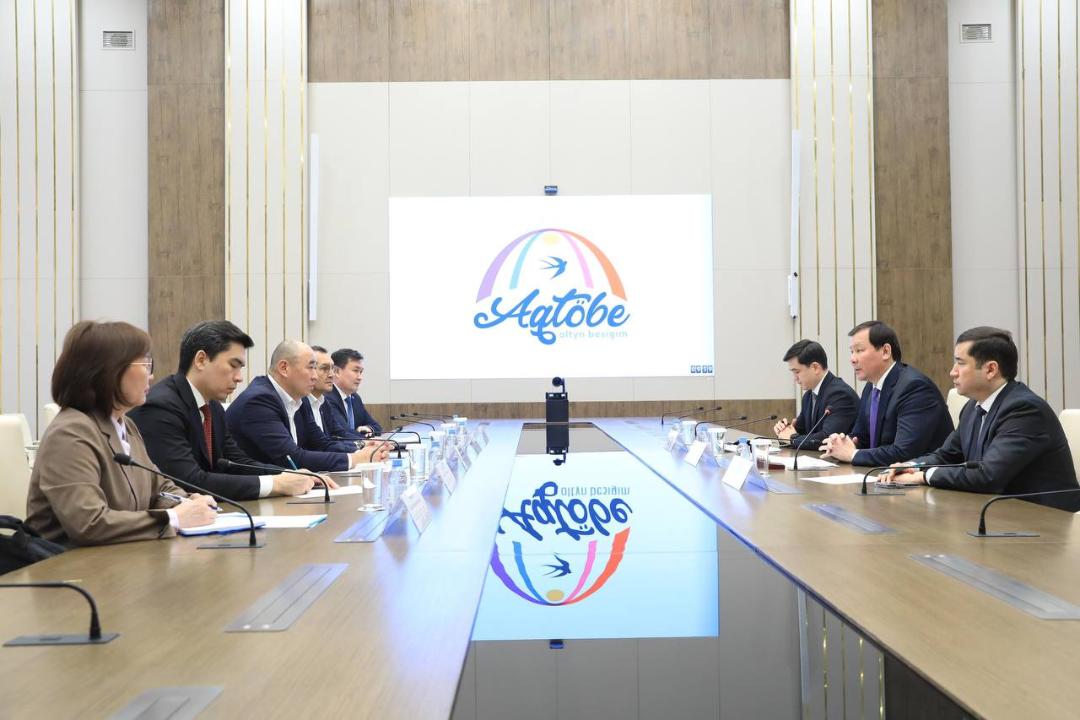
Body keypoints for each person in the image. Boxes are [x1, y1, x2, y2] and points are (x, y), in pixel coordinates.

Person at [24, 321, 217, 546]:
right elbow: (89, 523)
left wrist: (189, 502)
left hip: (121, 555)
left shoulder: (125, 424)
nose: (151, 375)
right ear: (110, 371)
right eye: (145, 364)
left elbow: (158, 488)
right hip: (68, 562)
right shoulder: (69, 433)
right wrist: (174, 518)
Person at [886, 327, 1080, 510]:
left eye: (961, 363)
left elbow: (989, 476)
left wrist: (924, 476)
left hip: (1046, 518)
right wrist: (911, 467)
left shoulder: (1025, 410)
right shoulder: (973, 407)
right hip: (997, 512)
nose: (953, 372)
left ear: (990, 369)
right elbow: (946, 456)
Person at [129, 320, 316, 500]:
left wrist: (289, 475)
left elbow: (236, 462)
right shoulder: (161, 407)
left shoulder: (213, 408)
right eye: (233, 366)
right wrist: (275, 484)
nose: (239, 378)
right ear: (201, 360)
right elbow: (188, 481)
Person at [225, 340, 389, 472]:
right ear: (284, 368)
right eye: (311, 367)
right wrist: (355, 459)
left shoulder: (299, 399)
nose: (315, 376)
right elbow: (292, 458)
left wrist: (363, 448)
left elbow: (322, 444)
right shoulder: (259, 401)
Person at [820, 320, 953, 466]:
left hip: (922, 474)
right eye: (852, 352)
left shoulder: (915, 388)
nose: (852, 359)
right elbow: (862, 436)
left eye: (859, 350)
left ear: (885, 351)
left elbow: (904, 452)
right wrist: (845, 443)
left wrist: (852, 454)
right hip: (882, 473)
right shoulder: (871, 387)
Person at [773, 340, 859, 450]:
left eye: (797, 372)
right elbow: (800, 432)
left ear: (815, 367)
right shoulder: (808, 396)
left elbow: (826, 438)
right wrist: (784, 430)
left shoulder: (840, 395)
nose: (795, 378)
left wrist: (791, 438)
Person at [325, 348, 382, 436]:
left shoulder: (355, 398)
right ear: (336, 371)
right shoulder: (327, 398)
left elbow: (376, 426)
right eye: (355, 371)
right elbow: (344, 432)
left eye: (361, 372)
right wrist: (365, 439)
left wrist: (369, 429)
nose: (360, 377)